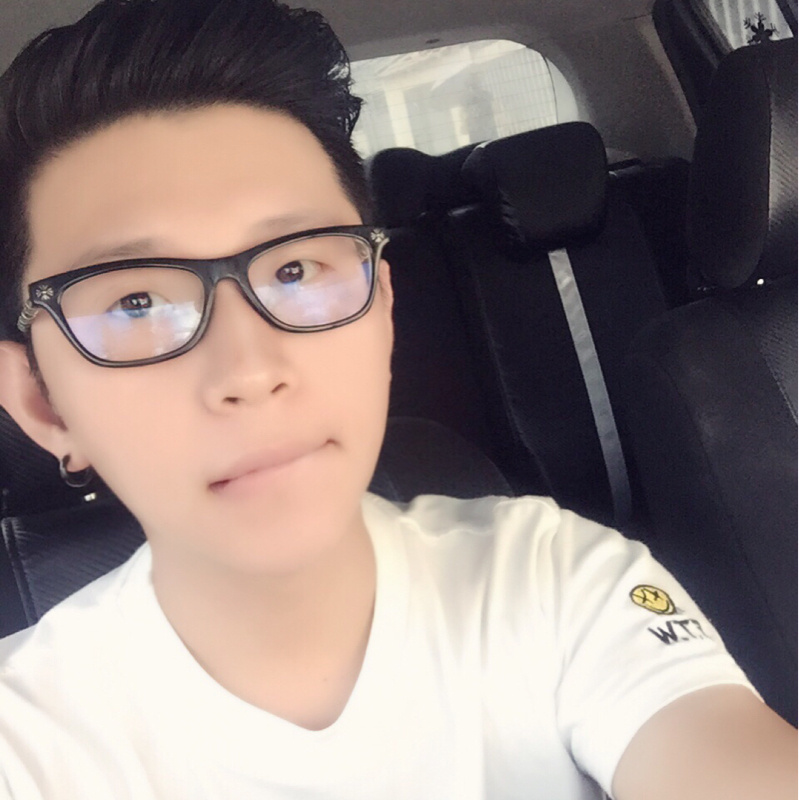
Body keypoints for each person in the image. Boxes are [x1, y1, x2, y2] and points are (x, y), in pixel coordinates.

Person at [0, 1, 794, 798]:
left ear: (381, 311)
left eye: (295, 270)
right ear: (41, 403)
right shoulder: (27, 735)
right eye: (134, 302)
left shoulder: (552, 577)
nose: (249, 369)